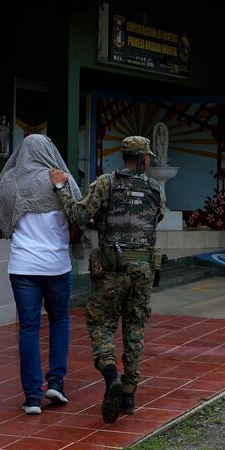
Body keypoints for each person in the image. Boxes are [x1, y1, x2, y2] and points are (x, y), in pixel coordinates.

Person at [51, 136, 163, 424]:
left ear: (124, 156)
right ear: (145, 159)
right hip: (143, 272)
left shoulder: (106, 183)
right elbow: (152, 219)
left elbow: (79, 214)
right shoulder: (154, 189)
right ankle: (128, 395)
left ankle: (111, 374)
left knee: (101, 324)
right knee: (135, 329)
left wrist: (61, 188)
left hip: (111, 270)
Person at [0, 134, 78, 415]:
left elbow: (2, 221)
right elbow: (79, 215)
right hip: (56, 266)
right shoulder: (61, 178)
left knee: (29, 328)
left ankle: (32, 398)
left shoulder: (9, 181)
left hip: (22, 267)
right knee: (60, 320)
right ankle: (56, 383)